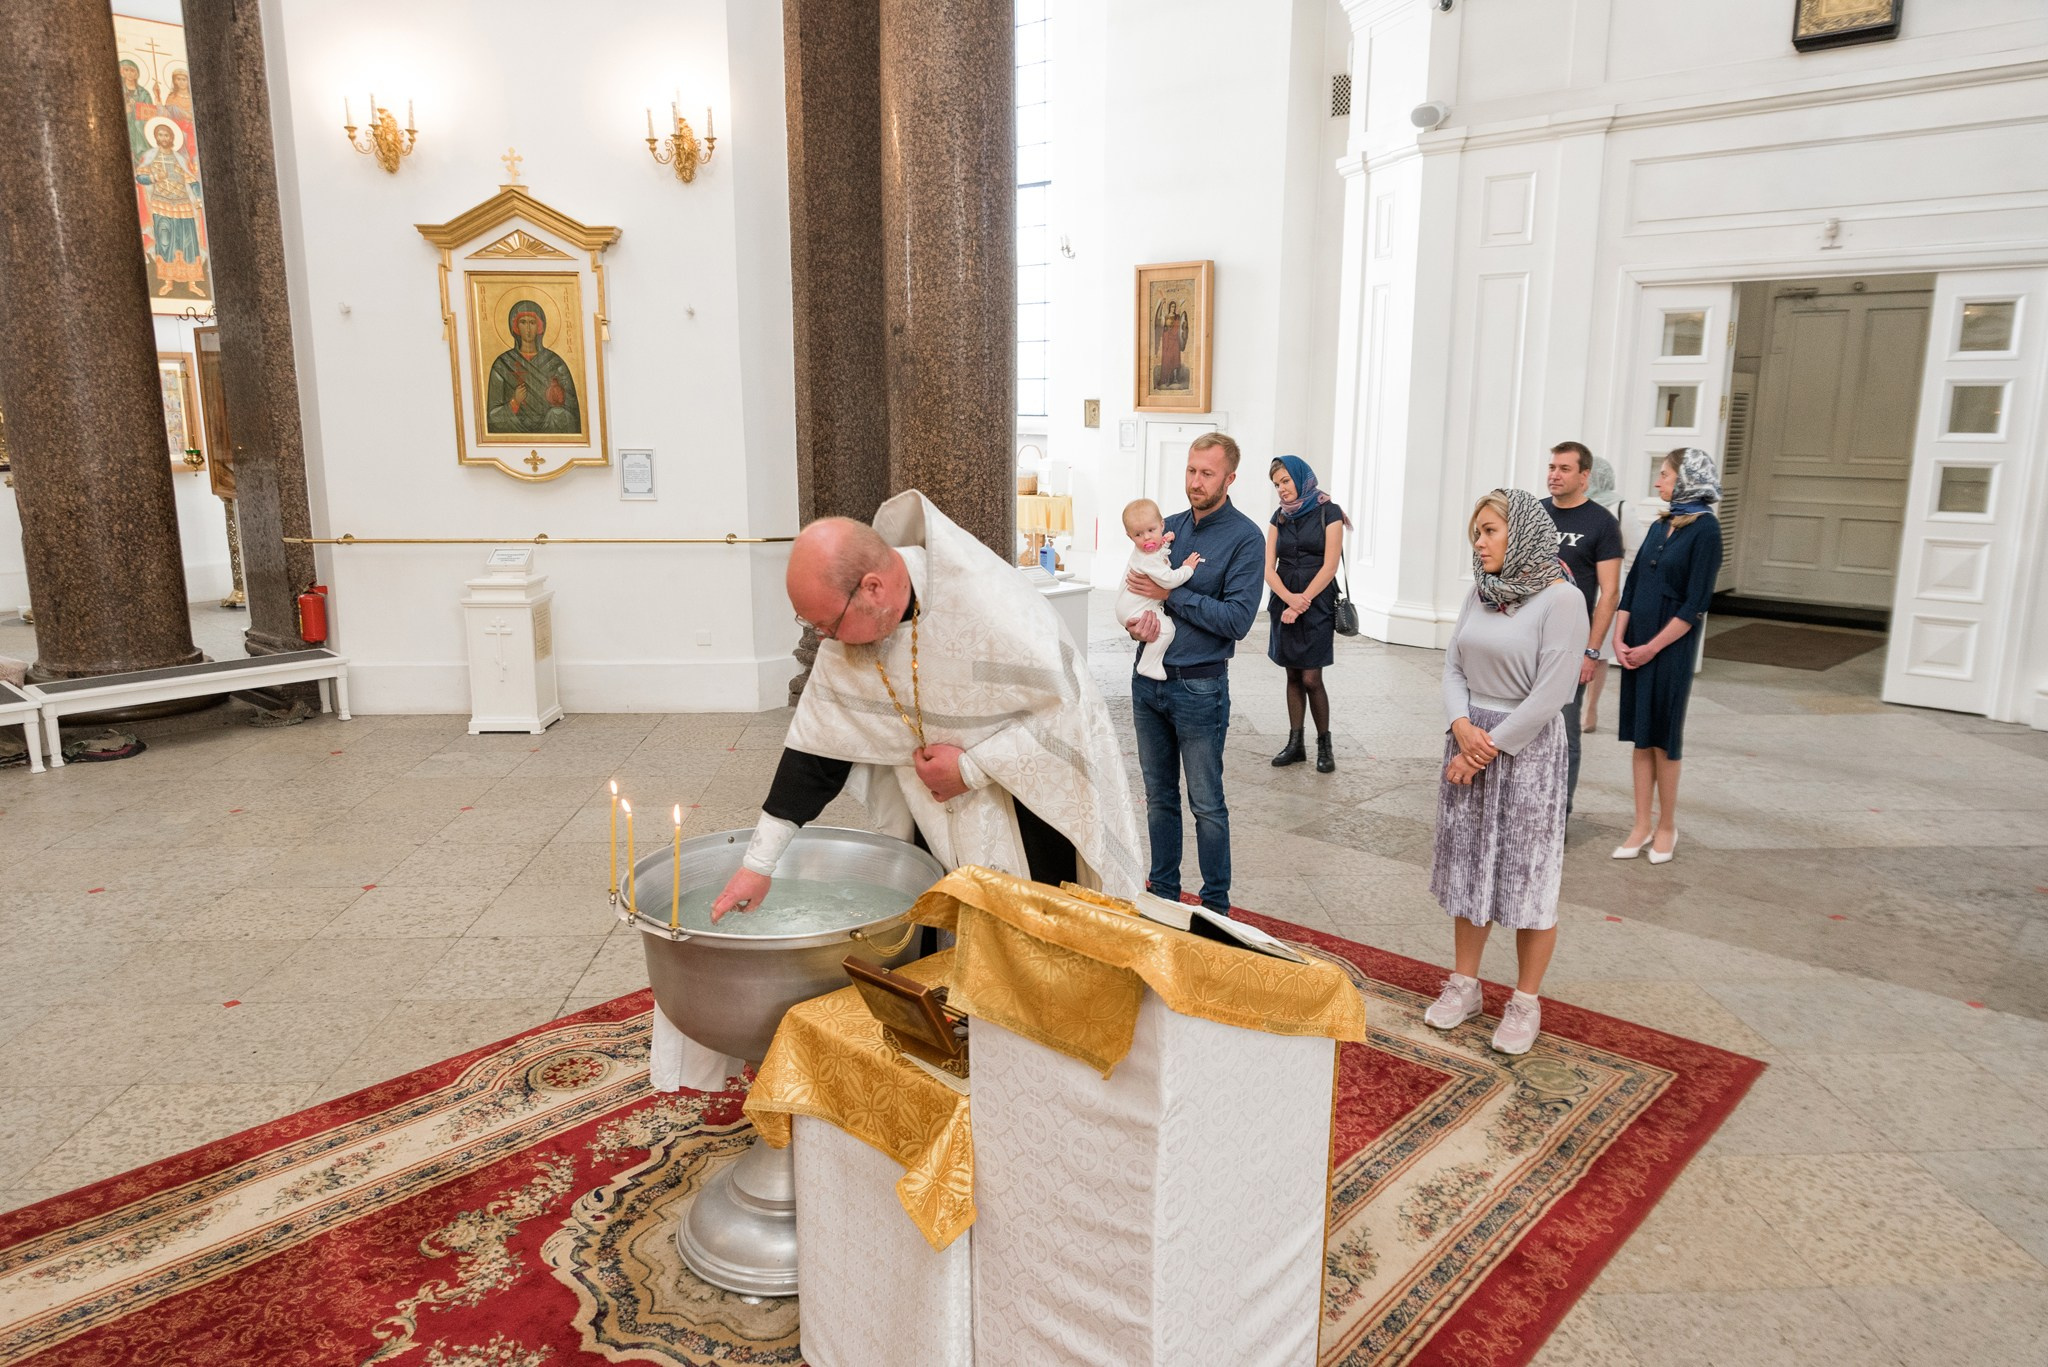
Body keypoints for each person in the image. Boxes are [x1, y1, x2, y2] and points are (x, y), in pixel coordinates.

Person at [712, 493, 1147, 923]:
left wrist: (971, 769)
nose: (823, 638)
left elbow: (1071, 715)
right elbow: (816, 754)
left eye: (828, 623)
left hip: (1030, 822)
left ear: (873, 588)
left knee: (1036, 959)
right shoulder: (848, 636)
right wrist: (758, 865)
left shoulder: (994, 607)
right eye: (812, 625)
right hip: (933, 820)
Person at [1424, 488, 1587, 1055]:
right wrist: (1460, 725)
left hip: (1526, 752)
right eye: (1476, 531)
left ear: (1521, 533)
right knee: (1470, 868)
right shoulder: (1479, 593)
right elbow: (1451, 667)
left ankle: (1524, 1002)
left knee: (1527, 875)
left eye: (1491, 530)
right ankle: (1465, 985)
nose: (1480, 541)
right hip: (1469, 736)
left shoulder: (1562, 599)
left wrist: (1481, 749)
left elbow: (1552, 694)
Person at [1124, 432, 1265, 914]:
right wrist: (1138, 625)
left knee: (1206, 803)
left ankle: (1214, 906)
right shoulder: (1167, 530)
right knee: (1158, 797)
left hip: (1200, 685)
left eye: (1207, 473)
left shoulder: (1246, 538)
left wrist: (1172, 598)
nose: (1196, 481)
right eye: (1190, 470)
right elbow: (1141, 596)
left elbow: (1237, 621)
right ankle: (1162, 893)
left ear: (1229, 478)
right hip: (1148, 682)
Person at [1612, 448, 1722, 866]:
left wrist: (1651, 646)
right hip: (1636, 644)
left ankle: (1666, 826)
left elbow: (1695, 605)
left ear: (1687, 478)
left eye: (1664, 475)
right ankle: (1641, 824)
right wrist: (1619, 640)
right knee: (1641, 739)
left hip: (1669, 649)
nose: (1658, 483)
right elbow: (1633, 584)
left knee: (1664, 741)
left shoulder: (1707, 531)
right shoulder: (1660, 525)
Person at [1540, 441, 1623, 814]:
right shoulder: (1534, 514)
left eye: (1564, 469)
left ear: (1585, 476)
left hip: (1570, 645)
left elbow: (1609, 593)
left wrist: (1592, 651)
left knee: (1565, 733)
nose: (1554, 475)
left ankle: (1560, 813)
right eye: (1552, 467)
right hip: (1528, 640)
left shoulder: (1602, 523)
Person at [1263, 455, 1348, 773]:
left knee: (1312, 677)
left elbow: (1330, 565)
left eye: (1285, 481)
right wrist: (1287, 599)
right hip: (1283, 603)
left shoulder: (1330, 512)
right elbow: (1268, 569)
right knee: (1292, 674)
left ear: (1301, 478)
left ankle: (1324, 745)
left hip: (1317, 603)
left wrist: (1302, 602)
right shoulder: (1278, 518)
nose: (1282, 489)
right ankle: (1295, 744)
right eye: (1276, 484)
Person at [1115, 498, 1201, 681]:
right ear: (1130, 536)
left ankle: (1149, 663)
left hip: (1127, 605)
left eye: (1151, 531)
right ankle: (1148, 664)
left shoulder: (1146, 551)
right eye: (1138, 535)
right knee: (1167, 629)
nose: (1146, 538)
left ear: (1162, 525)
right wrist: (1188, 568)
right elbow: (1169, 580)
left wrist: (1164, 542)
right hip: (1134, 609)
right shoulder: (1148, 559)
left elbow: (1156, 550)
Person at [486, 300, 581, 434]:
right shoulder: (503, 364)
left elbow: (572, 414)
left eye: (532, 322)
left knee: (557, 414)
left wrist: (557, 403)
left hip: (550, 429)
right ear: (515, 327)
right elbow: (492, 418)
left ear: (540, 326)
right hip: (516, 429)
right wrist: (514, 402)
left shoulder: (555, 363)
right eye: (523, 322)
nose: (528, 329)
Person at [134, 118, 205, 297]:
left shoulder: (179, 158)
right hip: (161, 204)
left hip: (182, 204)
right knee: (166, 241)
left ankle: (192, 283)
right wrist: (156, 177)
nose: (164, 137)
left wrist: (197, 198)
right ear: (156, 137)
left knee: (188, 242)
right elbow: (140, 177)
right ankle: (167, 282)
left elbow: (191, 179)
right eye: (160, 134)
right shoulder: (150, 156)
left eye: (166, 134)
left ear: (172, 137)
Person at [1580, 456, 1621, 733]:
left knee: (1599, 651)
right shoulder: (1576, 507)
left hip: (1610, 587)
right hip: (1583, 586)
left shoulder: (1618, 507)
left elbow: (1634, 554)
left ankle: (1590, 708)